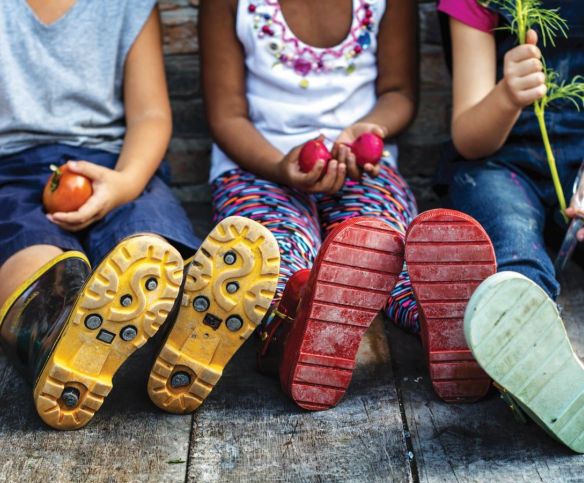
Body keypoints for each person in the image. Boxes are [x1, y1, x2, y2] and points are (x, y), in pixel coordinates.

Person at [0, 1, 279, 430]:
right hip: (8, 170)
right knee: (26, 251)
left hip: (116, 165)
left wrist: (126, 182)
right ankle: (59, 331)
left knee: (148, 238)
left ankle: (188, 325)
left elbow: (150, 115)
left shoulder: (126, 6)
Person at [198, 0, 497, 411]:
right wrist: (278, 168)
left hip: (363, 166)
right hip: (259, 167)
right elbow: (227, 116)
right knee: (274, 251)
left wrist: (370, 130)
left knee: (382, 246)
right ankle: (293, 328)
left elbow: (399, 93)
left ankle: (448, 329)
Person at [438, 0, 584, 452]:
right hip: (501, 166)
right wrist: (506, 95)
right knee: (508, 235)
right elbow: (469, 136)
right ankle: (530, 351)